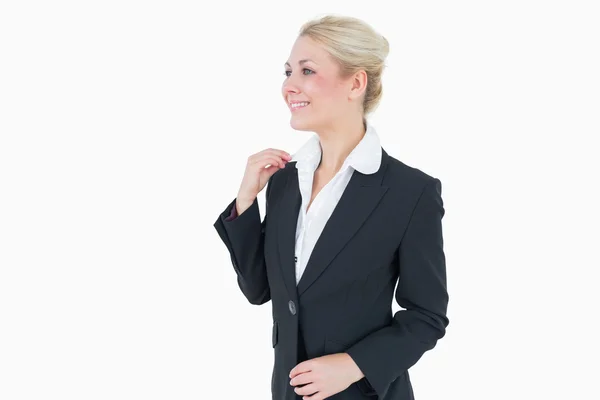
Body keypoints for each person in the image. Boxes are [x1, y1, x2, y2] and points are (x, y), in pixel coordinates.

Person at [213, 14, 449, 400]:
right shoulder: (287, 179)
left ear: (356, 83)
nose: (290, 86)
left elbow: (427, 316)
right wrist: (246, 200)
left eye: (307, 71)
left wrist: (354, 365)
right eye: (288, 71)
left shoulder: (410, 192)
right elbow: (259, 291)